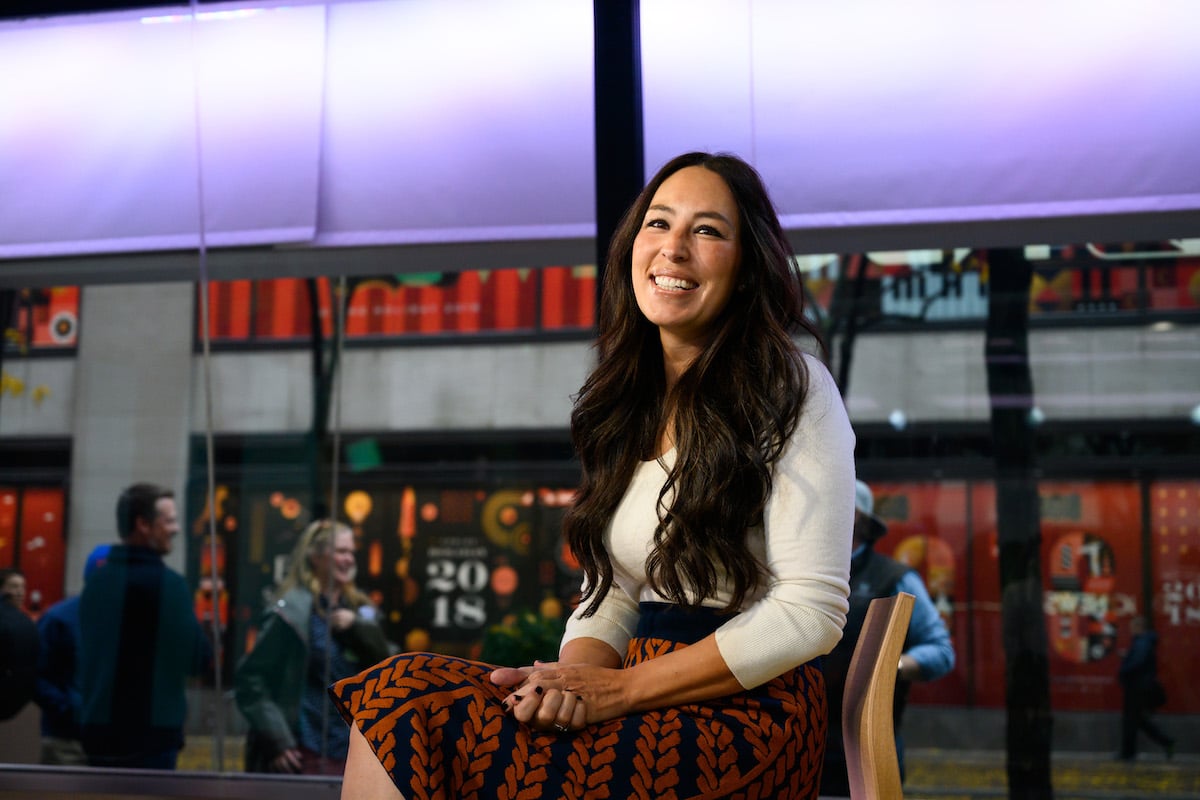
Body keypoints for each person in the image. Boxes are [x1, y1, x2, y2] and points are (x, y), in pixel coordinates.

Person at [332, 151, 857, 799]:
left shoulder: (794, 387)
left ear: (749, 267)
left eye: (709, 231)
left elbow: (812, 612)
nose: (674, 249)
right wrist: (567, 685)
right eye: (658, 224)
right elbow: (609, 591)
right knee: (398, 692)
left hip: (745, 711)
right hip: (631, 691)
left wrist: (620, 690)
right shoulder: (626, 402)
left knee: (441, 732)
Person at [819, 479, 955, 796]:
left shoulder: (894, 577)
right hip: (803, 745)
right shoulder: (805, 577)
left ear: (859, 519)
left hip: (870, 744)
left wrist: (888, 665)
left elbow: (941, 651)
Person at [235, 519, 388, 775]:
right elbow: (251, 679)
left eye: (351, 552)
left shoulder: (359, 609)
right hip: (305, 747)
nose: (349, 559)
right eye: (340, 551)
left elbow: (387, 666)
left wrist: (359, 628)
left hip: (352, 748)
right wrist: (278, 740)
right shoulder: (292, 612)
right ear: (315, 557)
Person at [78, 482, 212, 769]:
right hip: (150, 739)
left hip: (99, 734)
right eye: (170, 520)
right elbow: (198, 660)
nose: (176, 528)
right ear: (143, 524)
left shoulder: (97, 583)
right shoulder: (168, 585)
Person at [33, 544, 111, 765]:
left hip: (110, 743)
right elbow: (36, 676)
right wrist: (67, 709)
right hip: (65, 740)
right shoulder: (60, 618)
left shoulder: (123, 620)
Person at [1117, 615, 1174, 761]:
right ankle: (1165, 741)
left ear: (1138, 627)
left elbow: (1138, 661)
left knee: (1131, 720)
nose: (1131, 630)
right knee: (1136, 719)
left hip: (1137, 686)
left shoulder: (1143, 642)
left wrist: (1124, 669)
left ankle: (1128, 753)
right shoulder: (1144, 641)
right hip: (1139, 685)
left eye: (1132, 627)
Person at [0, 567, 39, 721]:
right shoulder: (21, 621)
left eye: (23, 587)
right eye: (14, 586)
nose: (20, 592)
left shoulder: (25, 619)